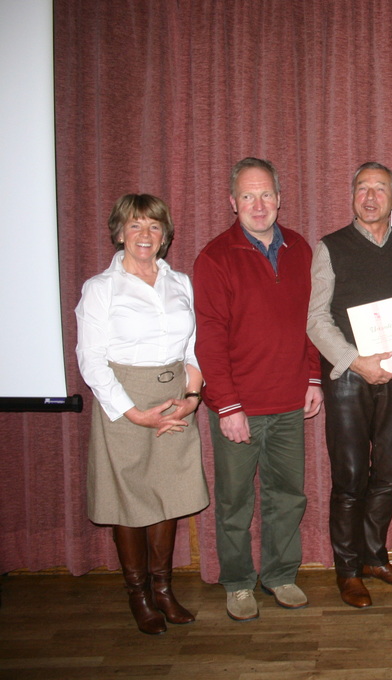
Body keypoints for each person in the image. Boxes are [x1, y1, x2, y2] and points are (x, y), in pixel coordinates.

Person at [193, 157, 323, 622]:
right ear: (233, 202)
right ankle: (237, 582)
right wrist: (228, 406)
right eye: (248, 196)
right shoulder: (214, 258)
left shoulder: (301, 249)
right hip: (238, 407)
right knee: (235, 501)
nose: (258, 204)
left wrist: (313, 377)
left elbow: (313, 321)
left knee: (287, 496)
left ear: (279, 198)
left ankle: (280, 575)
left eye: (266, 194)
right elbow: (209, 339)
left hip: (290, 402)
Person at [75, 193, 209, 635]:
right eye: (135, 225)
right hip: (124, 402)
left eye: (154, 226)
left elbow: (193, 348)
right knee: (128, 500)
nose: (145, 234)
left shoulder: (180, 282)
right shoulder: (100, 288)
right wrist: (133, 414)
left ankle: (164, 589)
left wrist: (192, 396)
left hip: (174, 396)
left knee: (169, 494)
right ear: (119, 233)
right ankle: (139, 593)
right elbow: (91, 360)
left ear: (165, 234)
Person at [307, 162, 392, 608]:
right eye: (363, 188)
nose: (371, 196)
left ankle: (374, 556)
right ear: (352, 196)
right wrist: (355, 362)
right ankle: (348, 570)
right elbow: (316, 319)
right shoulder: (330, 247)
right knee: (350, 477)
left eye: (381, 189)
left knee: (391, 471)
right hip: (348, 377)